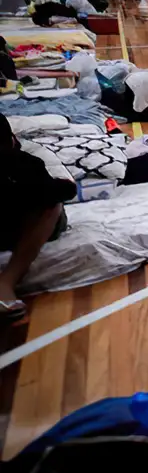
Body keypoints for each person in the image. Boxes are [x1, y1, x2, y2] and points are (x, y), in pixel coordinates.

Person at [0, 115, 75, 322]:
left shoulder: (30, 159)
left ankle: (6, 283)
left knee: (49, 202)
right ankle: (6, 283)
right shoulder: (19, 158)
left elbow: (62, 190)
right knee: (50, 203)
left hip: (20, 220)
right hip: (10, 223)